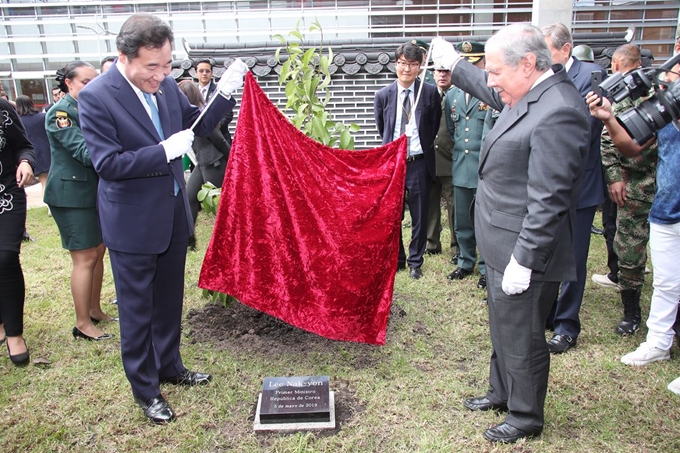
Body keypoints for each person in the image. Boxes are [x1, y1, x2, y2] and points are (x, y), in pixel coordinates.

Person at [78, 13, 247, 424]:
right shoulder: (97, 96)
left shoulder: (167, 86)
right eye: (152, 67)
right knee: (138, 309)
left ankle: (170, 365)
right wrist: (163, 151)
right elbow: (108, 163)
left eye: (167, 64)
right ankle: (145, 388)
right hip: (132, 220)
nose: (161, 75)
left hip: (172, 212)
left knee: (170, 298)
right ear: (124, 57)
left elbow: (197, 126)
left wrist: (225, 93)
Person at [431, 22, 590, 443]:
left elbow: (549, 200)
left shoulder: (560, 110)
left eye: (497, 71)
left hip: (525, 250)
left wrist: (525, 259)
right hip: (503, 240)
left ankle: (525, 416)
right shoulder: (531, 90)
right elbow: (490, 91)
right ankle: (501, 391)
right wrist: (456, 64)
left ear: (529, 63)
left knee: (522, 335)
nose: (492, 80)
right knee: (503, 325)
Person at [586, 36, 680, 394]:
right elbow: (628, 144)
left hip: (661, 197)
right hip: (664, 204)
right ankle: (656, 340)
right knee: (665, 281)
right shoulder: (664, 101)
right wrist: (609, 118)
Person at [542, 23, 608, 354]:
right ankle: (550, 314)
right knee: (549, 251)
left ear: (565, 50)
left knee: (574, 259)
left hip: (581, 185)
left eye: (547, 50)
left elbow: (593, 128)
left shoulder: (592, 77)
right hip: (549, 184)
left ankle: (567, 326)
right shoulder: (543, 77)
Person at [44, 61, 116, 343]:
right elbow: (84, 151)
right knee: (84, 258)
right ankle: (82, 322)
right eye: (85, 82)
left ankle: (95, 309)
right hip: (71, 195)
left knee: (98, 252)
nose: (92, 86)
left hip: (92, 192)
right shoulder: (61, 113)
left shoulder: (90, 108)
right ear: (68, 84)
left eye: (94, 81)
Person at [590, 44, 657, 335]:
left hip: (664, 183)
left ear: (616, 64)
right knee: (629, 248)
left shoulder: (658, 96)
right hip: (634, 185)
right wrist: (615, 177)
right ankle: (631, 312)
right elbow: (608, 141)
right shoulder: (619, 99)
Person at [374, 41, 442, 280]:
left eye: (412, 64)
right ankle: (399, 259)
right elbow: (383, 129)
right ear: (396, 64)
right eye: (403, 63)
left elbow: (432, 126)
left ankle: (416, 261)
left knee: (420, 214)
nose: (407, 69)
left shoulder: (430, 93)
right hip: (394, 163)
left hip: (419, 162)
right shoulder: (383, 95)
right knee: (393, 215)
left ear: (420, 66)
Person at [444, 41, 487, 290]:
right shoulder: (452, 94)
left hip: (484, 168)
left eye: (476, 64)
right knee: (462, 220)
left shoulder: (490, 92)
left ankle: (485, 267)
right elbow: (452, 130)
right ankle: (465, 261)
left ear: (482, 65)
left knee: (483, 221)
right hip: (461, 165)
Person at [0, 97, 36, 366]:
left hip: (6, 195)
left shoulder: (3, 108)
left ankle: (15, 334)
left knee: (5, 258)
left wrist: (25, 161)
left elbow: (23, 145)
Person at [177, 80, 230, 250]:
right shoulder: (188, 116)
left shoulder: (202, 115)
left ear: (189, 97)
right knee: (189, 197)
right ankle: (188, 239)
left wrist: (234, 162)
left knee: (219, 207)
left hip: (215, 164)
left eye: (181, 96)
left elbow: (220, 141)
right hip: (202, 163)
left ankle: (228, 242)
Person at [425, 64, 458, 260]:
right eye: (438, 71)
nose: (442, 75)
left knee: (455, 207)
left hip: (452, 158)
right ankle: (431, 243)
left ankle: (457, 246)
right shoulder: (427, 95)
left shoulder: (459, 96)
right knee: (430, 204)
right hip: (430, 159)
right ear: (433, 73)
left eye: (446, 71)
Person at [15, 96, 51, 214]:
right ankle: (52, 206)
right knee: (51, 180)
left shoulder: (18, 121)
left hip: (32, 154)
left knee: (43, 181)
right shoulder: (42, 117)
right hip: (47, 151)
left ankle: (49, 206)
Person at [195, 58, 234, 146]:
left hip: (220, 139)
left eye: (207, 71)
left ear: (211, 73)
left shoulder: (220, 90)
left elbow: (229, 114)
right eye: (201, 71)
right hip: (200, 142)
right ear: (196, 73)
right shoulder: (192, 91)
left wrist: (218, 124)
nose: (204, 73)